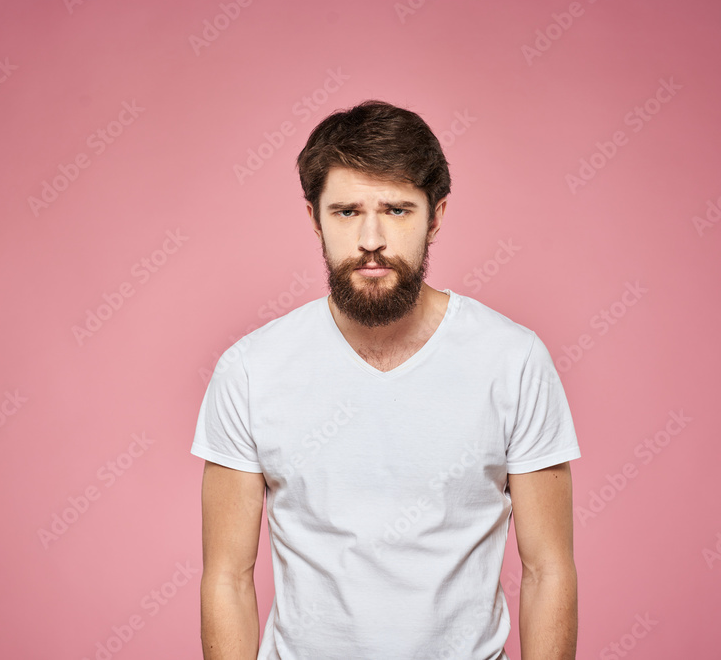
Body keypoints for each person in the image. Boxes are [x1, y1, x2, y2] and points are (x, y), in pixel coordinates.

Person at [192, 99, 581, 659]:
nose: (371, 238)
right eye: (346, 212)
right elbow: (227, 577)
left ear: (437, 216)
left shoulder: (512, 360)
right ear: (313, 218)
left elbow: (548, 570)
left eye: (397, 210)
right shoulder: (252, 369)